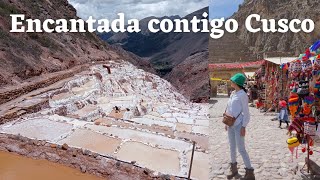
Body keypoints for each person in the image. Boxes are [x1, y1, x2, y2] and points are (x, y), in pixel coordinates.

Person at [225, 73, 255, 180]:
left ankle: (250, 172)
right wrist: (226, 123)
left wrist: (244, 127)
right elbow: (229, 108)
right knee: (232, 147)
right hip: (230, 124)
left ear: (236, 83)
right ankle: (233, 169)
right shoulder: (233, 93)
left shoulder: (242, 95)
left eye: (232, 80)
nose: (231, 82)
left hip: (238, 125)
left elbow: (246, 113)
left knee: (241, 149)